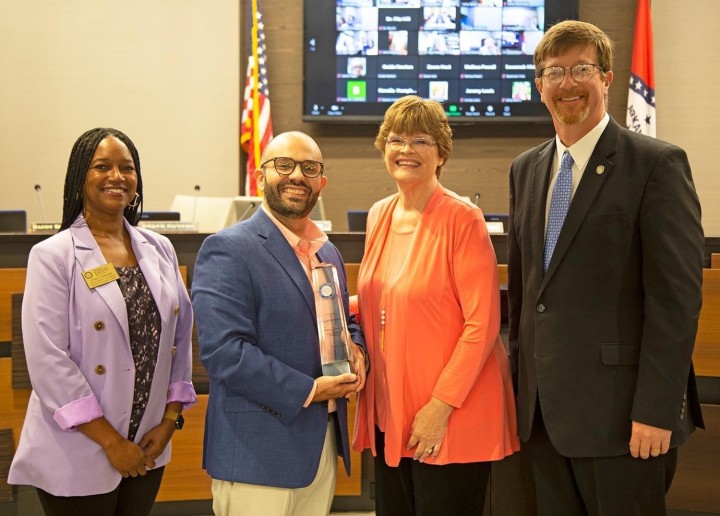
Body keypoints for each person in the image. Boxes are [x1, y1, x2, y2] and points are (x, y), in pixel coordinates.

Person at [507, 20, 704, 514]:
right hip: (543, 420)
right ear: (539, 85)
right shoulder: (526, 169)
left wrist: (657, 411)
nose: (567, 83)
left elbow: (675, 302)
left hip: (625, 424)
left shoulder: (656, 164)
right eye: (554, 72)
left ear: (607, 78)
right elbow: (528, 291)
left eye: (581, 69)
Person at [8, 128, 197, 515]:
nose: (117, 176)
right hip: (80, 444)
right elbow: (48, 361)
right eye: (102, 166)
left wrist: (170, 421)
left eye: (127, 168)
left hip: (148, 442)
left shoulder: (159, 248)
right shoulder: (53, 255)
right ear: (81, 176)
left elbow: (178, 340)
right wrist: (111, 443)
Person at [353, 95, 519, 515]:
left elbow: (482, 324)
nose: (406, 150)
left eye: (421, 141)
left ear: (441, 153)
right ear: (383, 148)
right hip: (393, 410)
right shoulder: (379, 215)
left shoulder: (463, 218)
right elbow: (382, 298)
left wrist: (439, 407)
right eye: (396, 139)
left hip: (448, 412)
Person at [192, 131, 367, 516]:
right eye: (284, 165)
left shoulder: (328, 251)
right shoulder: (228, 248)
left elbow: (340, 318)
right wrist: (310, 390)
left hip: (319, 446)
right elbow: (225, 354)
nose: (297, 176)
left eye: (309, 168)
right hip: (257, 452)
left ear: (322, 181)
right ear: (261, 177)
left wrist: (356, 348)